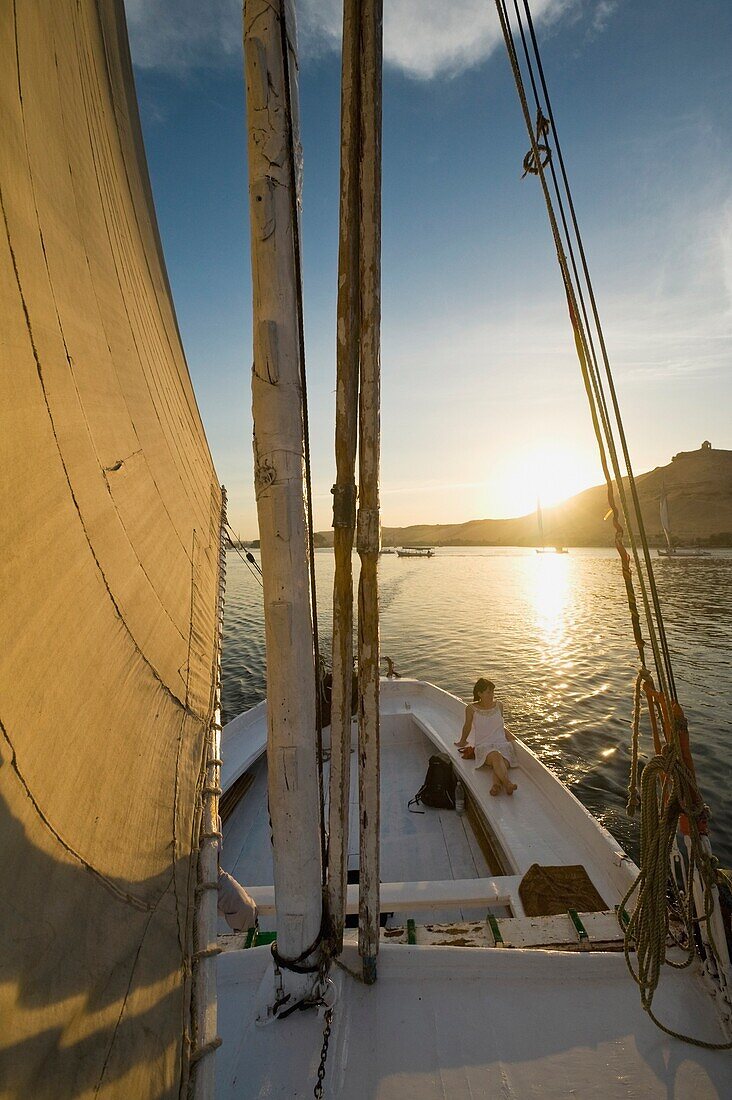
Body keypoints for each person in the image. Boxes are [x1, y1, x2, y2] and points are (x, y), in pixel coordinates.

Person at [454, 677, 518, 796]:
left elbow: (501, 725)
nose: (492, 695)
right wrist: (462, 741)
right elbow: (467, 726)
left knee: (500, 762)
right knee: (496, 757)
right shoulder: (471, 709)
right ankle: (507, 783)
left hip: (502, 744)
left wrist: (511, 737)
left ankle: (496, 785)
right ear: (480, 693)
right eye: (488, 692)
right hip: (484, 746)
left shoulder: (499, 705)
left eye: (493, 692)